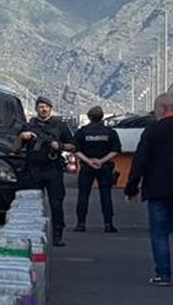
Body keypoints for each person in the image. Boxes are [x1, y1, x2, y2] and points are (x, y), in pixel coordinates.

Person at [123, 91, 173, 286]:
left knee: (159, 233)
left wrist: (131, 188)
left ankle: (163, 275)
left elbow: (140, 162)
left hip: (158, 190)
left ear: (163, 109)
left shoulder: (153, 131)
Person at [13, 95, 73, 246]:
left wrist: (59, 146)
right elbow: (14, 149)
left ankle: (57, 236)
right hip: (33, 169)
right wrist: (22, 136)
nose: (44, 109)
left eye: (46, 106)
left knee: (56, 204)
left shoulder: (60, 126)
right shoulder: (29, 125)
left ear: (51, 108)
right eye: (41, 106)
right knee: (32, 205)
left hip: (53, 169)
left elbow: (73, 146)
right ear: (36, 109)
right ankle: (31, 237)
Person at [72, 105, 122, 233]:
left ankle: (81, 224)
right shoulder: (110, 132)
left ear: (89, 117)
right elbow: (115, 150)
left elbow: (75, 149)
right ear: (102, 117)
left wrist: (89, 161)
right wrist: (101, 161)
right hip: (104, 167)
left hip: (87, 166)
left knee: (83, 195)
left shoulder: (82, 132)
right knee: (106, 195)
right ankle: (108, 224)